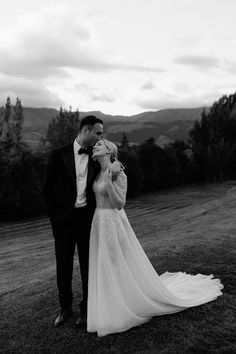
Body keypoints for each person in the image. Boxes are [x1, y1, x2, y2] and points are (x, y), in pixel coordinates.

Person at [87, 139, 224, 337]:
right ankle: (107, 307)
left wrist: (109, 184)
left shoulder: (118, 174)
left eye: (99, 145)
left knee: (116, 263)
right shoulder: (98, 171)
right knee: (103, 264)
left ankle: (122, 308)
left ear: (109, 150)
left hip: (113, 222)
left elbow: (120, 204)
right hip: (98, 222)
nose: (94, 147)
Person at [43, 115, 104, 328]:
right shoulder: (58, 154)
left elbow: (114, 169)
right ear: (85, 130)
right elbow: (47, 189)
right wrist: (54, 217)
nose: (100, 138)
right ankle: (65, 308)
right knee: (63, 267)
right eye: (98, 133)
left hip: (87, 221)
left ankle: (86, 310)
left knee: (88, 267)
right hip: (62, 223)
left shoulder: (98, 156)